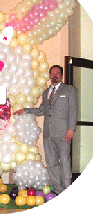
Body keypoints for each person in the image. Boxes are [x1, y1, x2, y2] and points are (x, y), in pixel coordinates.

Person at [14, 65, 78, 195]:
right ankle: (58, 190)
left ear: (61, 76)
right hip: (48, 133)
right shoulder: (46, 92)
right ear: (50, 75)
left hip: (63, 133)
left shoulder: (69, 90)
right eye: (52, 73)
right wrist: (26, 110)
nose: (55, 75)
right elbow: (42, 110)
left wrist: (71, 129)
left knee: (65, 161)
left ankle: (67, 189)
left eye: (57, 73)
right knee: (51, 162)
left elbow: (73, 110)